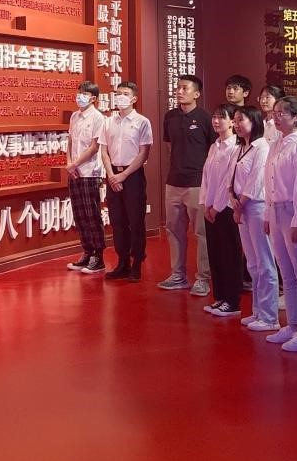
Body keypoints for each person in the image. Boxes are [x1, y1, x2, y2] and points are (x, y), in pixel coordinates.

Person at [265, 95, 297, 351]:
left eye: (282, 113)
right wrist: (267, 214)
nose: (276, 117)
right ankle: (294, 324)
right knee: (286, 272)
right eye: (274, 113)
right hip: (276, 210)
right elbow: (268, 181)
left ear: (296, 117)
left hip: (292, 211)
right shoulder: (276, 144)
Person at [159, 74, 213, 294]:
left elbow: (212, 150)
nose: (180, 91)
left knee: (201, 233)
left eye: (185, 88)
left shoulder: (205, 118)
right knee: (173, 230)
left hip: (197, 183)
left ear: (197, 94)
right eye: (178, 88)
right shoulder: (170, 117)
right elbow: (170, 146)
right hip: (173, 182)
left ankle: (203, 278)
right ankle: (178, 275)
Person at [229, 106, 278, 331]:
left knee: (265, 261)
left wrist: (241, 204)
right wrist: (233, 199)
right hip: (241, 207)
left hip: (256, 206)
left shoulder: (262, 147)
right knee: (253, 262)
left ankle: (269, 317)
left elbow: (256, 180)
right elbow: (232, 178)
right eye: (235, 120)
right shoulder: (240, 147)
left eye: (241, 120)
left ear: (254, 121)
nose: (237, 124)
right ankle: (258, 311)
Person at [100, 81, 152, 282]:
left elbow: (143, 153)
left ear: (134, 99)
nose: (120, 96)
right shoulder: (108, 122)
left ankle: (137, 262)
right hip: (113, 175)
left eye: (125, 94)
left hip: (133, 176)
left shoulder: (142, 122)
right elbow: (103, 150)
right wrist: (111, 175)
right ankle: (122, 262)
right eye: (118, 93)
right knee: (117, 221)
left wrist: (123, 175)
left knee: (135, 221)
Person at [201, 103, 243, 317]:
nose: (216, 121)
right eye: (214, 117)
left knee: (229, 255)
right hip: (210, 209)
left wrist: (216, 207)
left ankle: (232, 301)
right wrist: (205, 204)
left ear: (232, 122)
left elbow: (228, 181)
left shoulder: (236, 147)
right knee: (215, 253)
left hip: (225, 208)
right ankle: (220, 297)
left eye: (222, 117)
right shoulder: (214, 146)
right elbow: (206, 178)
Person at [66, 81, 108, 274]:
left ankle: (98, 257)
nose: (79, 97)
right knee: (79, 214)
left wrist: (75, 164)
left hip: (90, 172)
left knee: (92, 214)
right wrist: (69, 163)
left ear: (93, 98)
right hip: (74, 172)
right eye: (79, 93)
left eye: (84, 94)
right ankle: (87, 252)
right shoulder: (75, 116)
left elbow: (94, 147)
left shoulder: (98, 117)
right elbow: (70, 141)